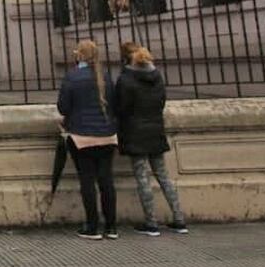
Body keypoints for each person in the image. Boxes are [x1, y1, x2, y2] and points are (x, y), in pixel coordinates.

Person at [115, 43, 188, 236]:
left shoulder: (126, 79)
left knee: (142, 177)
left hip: (135, 131)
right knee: (163, 175)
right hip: (155, 128)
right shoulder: (156, 77)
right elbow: (161, 101)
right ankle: (179, 218)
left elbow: (121, 107)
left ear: (124, 58)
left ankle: (151, 222)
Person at [57, 39, 119, 241]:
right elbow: (113, 104)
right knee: (106, 180)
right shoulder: (106, 76)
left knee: (87, 181)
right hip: (107, 135)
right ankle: (111, 226)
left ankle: (92, 226)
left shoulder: (73, 77)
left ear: (79, 55)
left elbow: (63, 107)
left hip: (82, 136)